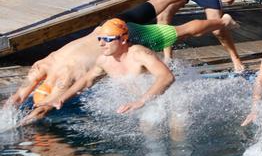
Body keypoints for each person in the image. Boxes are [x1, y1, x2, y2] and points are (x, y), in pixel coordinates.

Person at [35, 19, 176, 118]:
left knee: (176, 132)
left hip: (168, 99)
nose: (101, 44)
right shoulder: (104, 61)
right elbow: (86, 80)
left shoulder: (139, 54)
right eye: (100, 39)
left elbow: (167, 77)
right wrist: (61, 98)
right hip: (144, 103)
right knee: (148, 127)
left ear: (123, 40)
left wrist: (141, 101)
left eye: (107, 39)